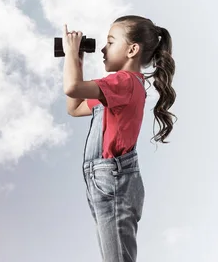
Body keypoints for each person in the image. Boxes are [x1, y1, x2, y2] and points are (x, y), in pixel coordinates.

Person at [63, 15, 177, 262]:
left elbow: (71, 87)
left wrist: (71, 53)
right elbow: (75, 107)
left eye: (110, 42)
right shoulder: (120, 86)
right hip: (110, 182)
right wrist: (78, 61)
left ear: (132, 50)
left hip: (113, 182)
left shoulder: (123, 81)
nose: (103, 49)